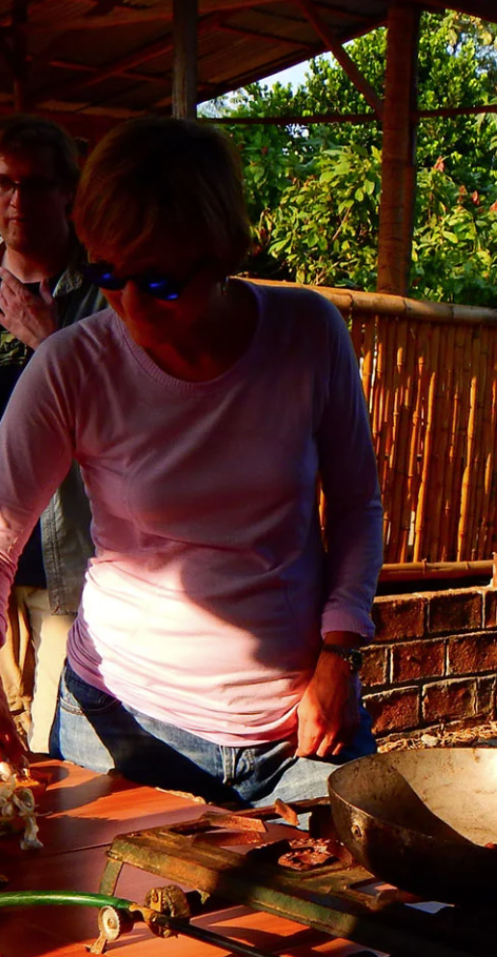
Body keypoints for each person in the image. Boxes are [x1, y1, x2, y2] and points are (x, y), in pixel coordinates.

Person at [0, 117, 383, 808]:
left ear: (222, 252)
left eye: (161, 281)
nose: (130, 306)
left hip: (297, 730)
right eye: (107, 274)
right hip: (119, 722)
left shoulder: (306, 334)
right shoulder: (72, 365)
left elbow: (358, 504)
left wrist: (341, 652)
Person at [0, 116, 103, 755]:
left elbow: (128, 417)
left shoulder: (108, 294)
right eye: (4, 183)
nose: (17, 200)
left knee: (54, 754)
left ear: (67, 192)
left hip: (69, 565)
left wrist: (48, 339)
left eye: (35, 184)